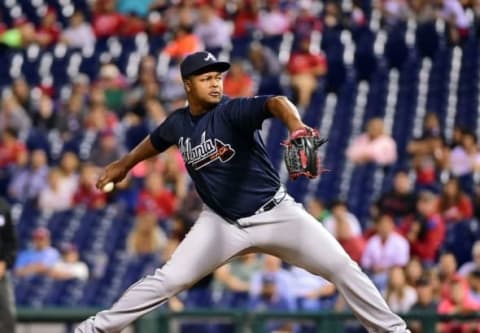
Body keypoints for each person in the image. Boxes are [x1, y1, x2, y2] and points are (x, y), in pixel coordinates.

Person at [75, 51, 411, 333]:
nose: (216, 82)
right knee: (168, 279)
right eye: (206, 77)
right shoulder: (179, 123)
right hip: (221, 223)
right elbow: (156, 140)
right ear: (188, 84)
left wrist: (296, 125)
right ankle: (93, 329)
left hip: (275, 213)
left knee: (342, 267)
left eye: (218, 76)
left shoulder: (232, 111)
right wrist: (124, 163)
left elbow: (276, 103)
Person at [0, 198, 17, 333]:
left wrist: (5, 262)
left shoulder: (3, 207)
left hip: (0, 270)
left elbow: (10, 241)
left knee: (8, 315)